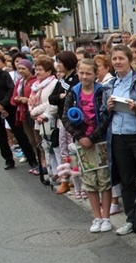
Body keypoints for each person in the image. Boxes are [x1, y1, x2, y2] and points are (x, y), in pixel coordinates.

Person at [101, 45, 136, 236]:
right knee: (126, 179)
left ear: (130, 60)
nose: (118, 62)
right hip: (118, 136)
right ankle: (131, 219)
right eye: (115, 59)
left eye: (121, 58)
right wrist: (109, 107)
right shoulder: (109, 85)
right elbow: (103, 115)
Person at [62, 58, 112, 232]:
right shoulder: (73, 92)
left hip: (101, 140)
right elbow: (65, 118)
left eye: (88, 73)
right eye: (81, 73)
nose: (84, 76)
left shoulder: (102, 91)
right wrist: (80, 137)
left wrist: (92, 137)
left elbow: (106, 116)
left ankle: (106, 217)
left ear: (95, 74)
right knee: (89, 181)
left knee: (104, 179)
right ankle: (96, 217)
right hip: (82, 142)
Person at [48, 50, 81, 195]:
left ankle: (76, 182)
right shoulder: (61, 80)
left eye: (60, 62)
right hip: (61, 120)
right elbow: (52, 98)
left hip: (72, 121)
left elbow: (72, 97)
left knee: (73, 153)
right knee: (63, 152)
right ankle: (65, 179)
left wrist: (62, 97)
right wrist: (61, 96)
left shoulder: (75, 79)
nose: (58, 65)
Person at [28, 55, 58, 182]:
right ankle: (51, 175)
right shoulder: (36, 85)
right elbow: (31, 100)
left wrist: (35, 111)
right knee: (45, 148)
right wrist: (32, 110)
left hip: (49, 120)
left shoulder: (53, 83)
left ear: (49, 71)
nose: (37, 72)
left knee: (53, 149)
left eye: (40, 69)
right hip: (38, 121)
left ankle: (57, 175)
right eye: (36, 69)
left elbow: (50, 102)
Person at [10, 59, 39, 172]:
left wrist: (27, 100)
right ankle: (37, 162)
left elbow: (35, 98)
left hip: (33, 112)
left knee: (38, 139)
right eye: (19, 69)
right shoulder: (20, 81)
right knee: (31, 139)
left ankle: (43, 164)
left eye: (23, 68)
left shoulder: (35, 81)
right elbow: (13, 97)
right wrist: (16, 100)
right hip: (22, 113)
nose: (21, 71)